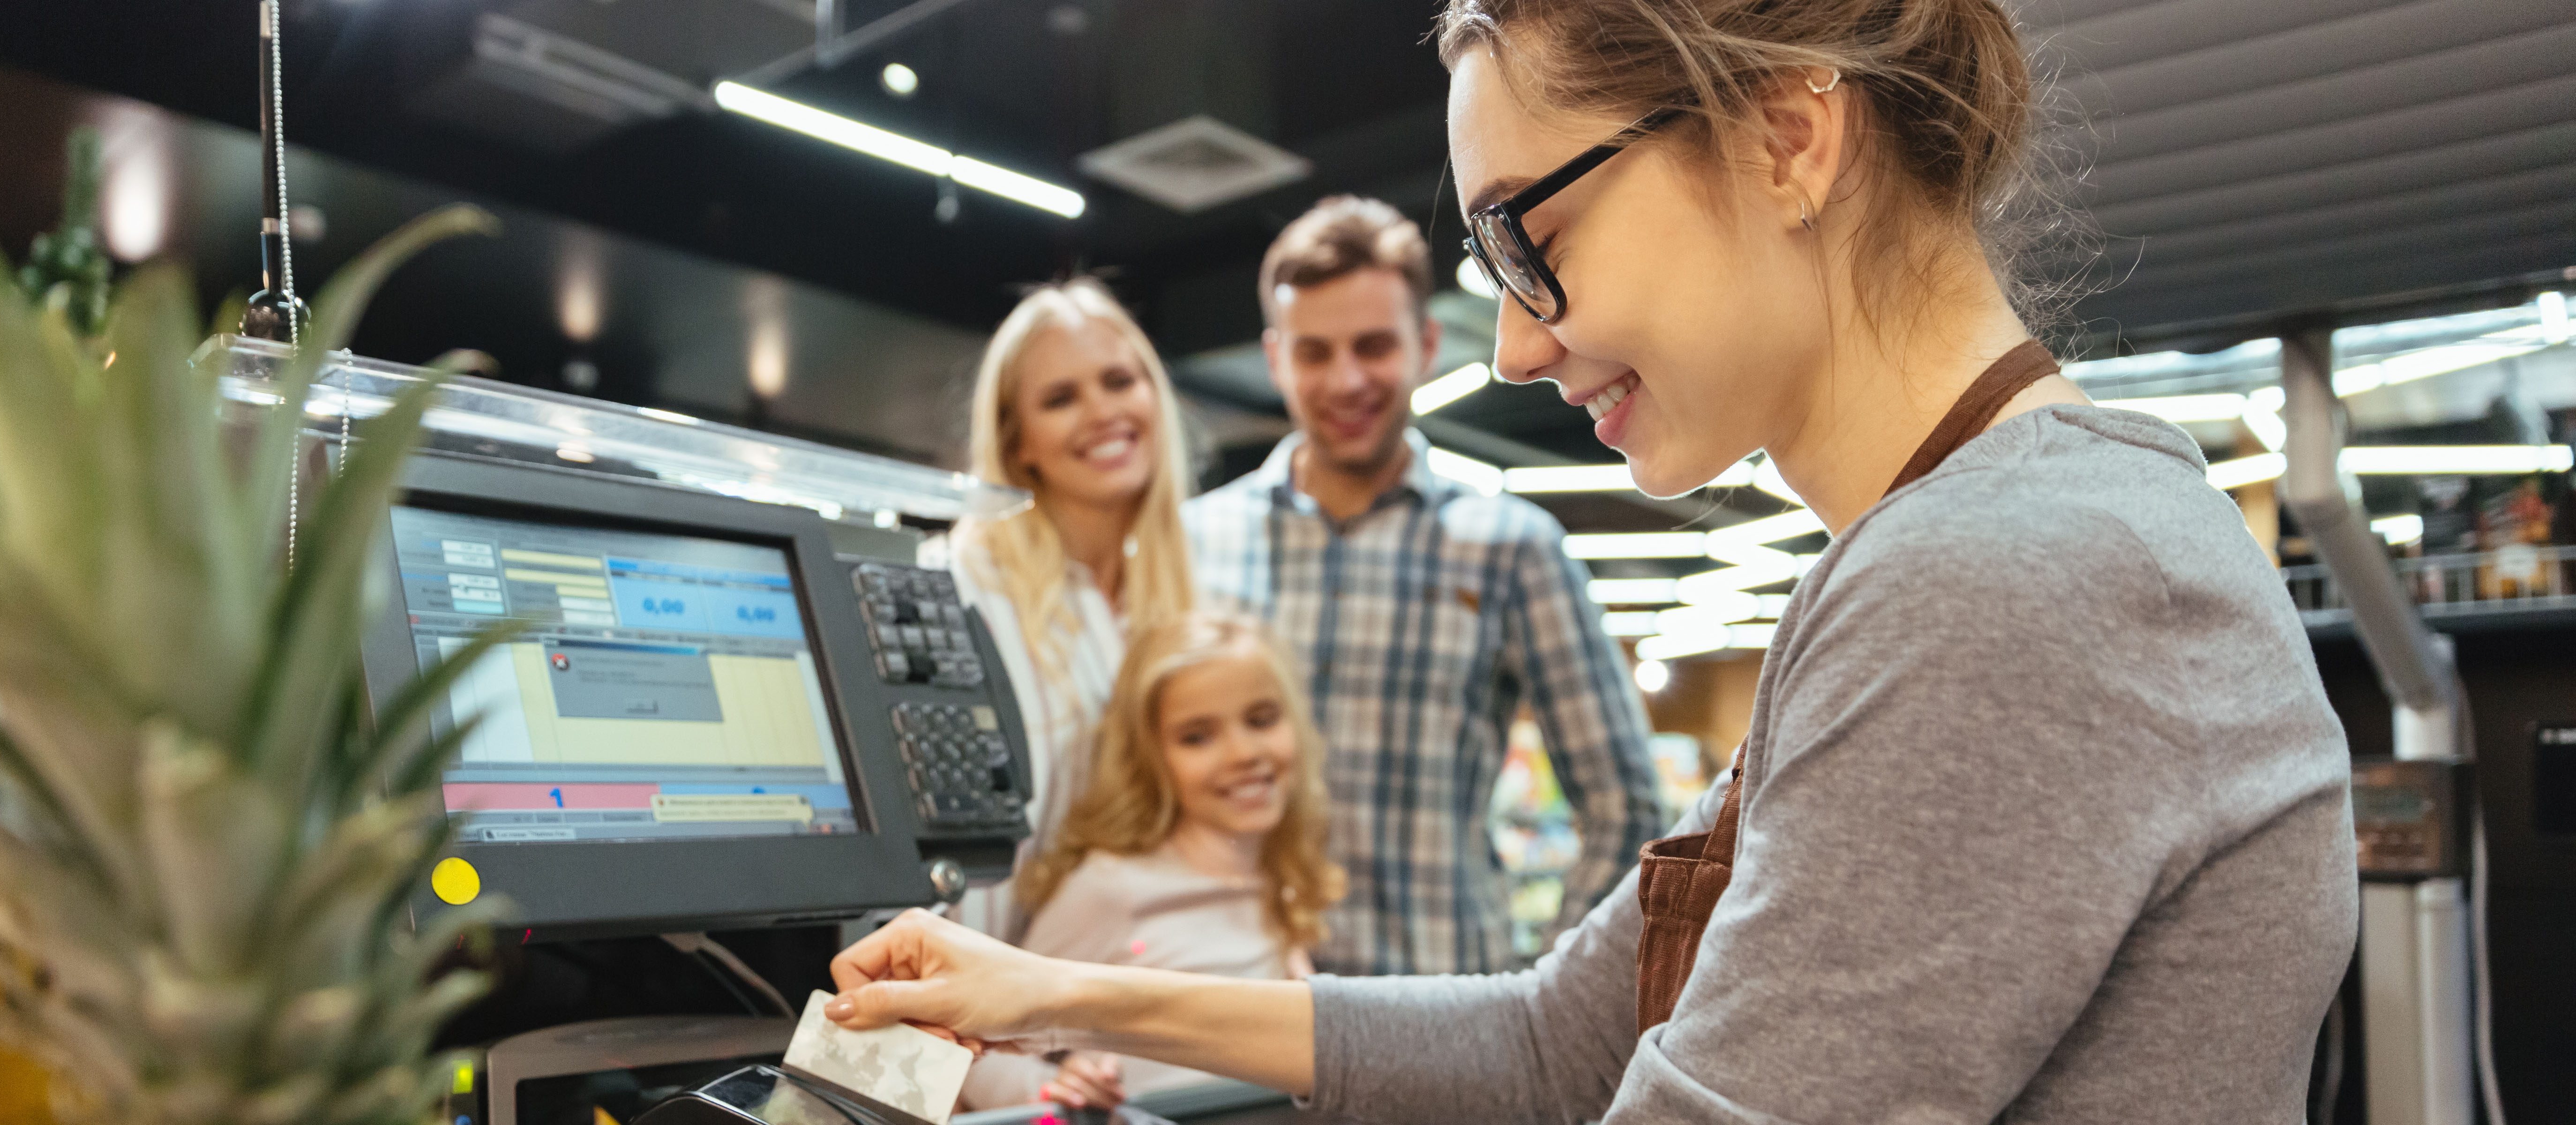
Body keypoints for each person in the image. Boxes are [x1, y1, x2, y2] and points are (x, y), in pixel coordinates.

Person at [818, 0, 2360, 1119]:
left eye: (1526, 236)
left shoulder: (1998, 581)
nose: (1511, 340)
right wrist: (1045, 989)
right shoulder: (1991, 542)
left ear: (1788, 140)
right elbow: (1558, 1041)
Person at [1180, 195, 1663, 976]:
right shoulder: (1192, 545)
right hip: (1231, 1017)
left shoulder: (1512, 548)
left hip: (1439, 1028)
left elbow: (1627, 810)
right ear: (1276, 359)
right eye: (1314, 352)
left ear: (1426, 345)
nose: (1345, 379)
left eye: (1374, 346)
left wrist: (1550, 998)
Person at [958, 611, 1344, 1112]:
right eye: (1198, 737)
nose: (1244, 752)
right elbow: (980, 1046)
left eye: (1261, 720)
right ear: (1150, 759)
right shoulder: (1113, 890)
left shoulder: (1279, 875)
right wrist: (1053, 1091)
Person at [945, 278, 1200, 936]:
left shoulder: (1178, 602)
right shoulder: (961, 588)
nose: (1102, 412)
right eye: (1060, 398)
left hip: (1099, 1007)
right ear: (1017, 440)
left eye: (1119, 381)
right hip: (966, 1004)